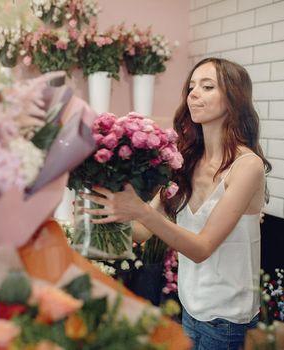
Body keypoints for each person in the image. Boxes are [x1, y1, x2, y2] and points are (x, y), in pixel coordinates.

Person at [83, 57, 272, 350]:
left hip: (228, 320)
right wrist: (104, 210)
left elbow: (201, 248)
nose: (193, 93)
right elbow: (143, 232)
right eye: (191, 86)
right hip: (190, 308)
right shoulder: (184, 163)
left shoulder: (247, 166)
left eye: (207, 86)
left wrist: (141, 209)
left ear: (234, 98)